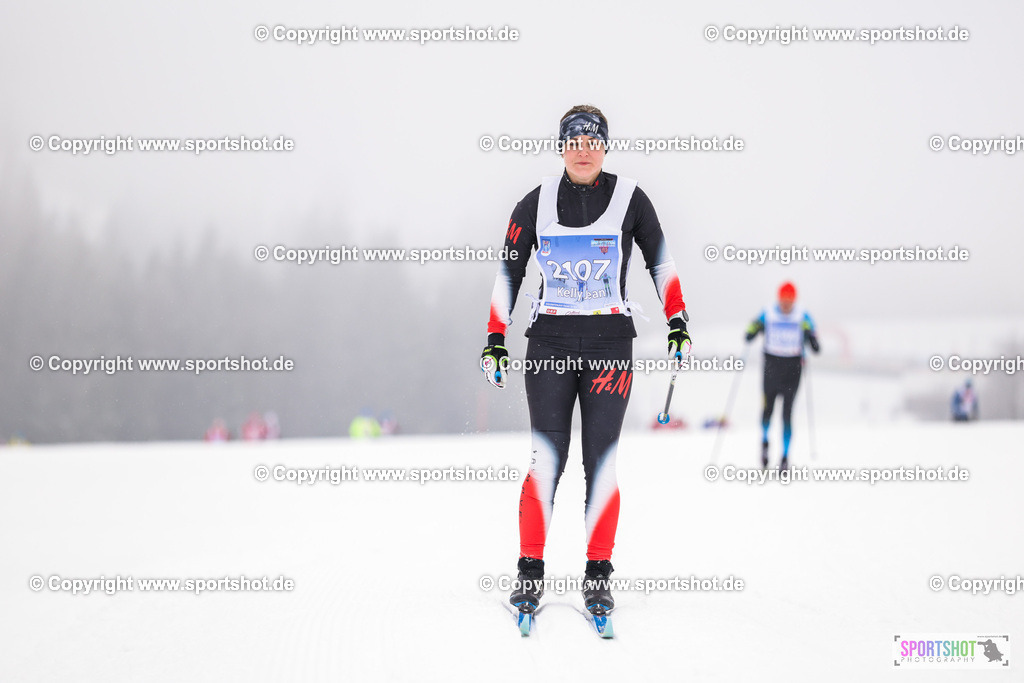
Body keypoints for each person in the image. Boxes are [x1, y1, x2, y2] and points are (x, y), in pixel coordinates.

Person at [480, 104, 690, 618]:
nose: (582, 149)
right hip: (548, 345)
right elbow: (509, 273)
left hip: (609, 348)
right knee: (545, 460)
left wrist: (678, 321)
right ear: (561, 148)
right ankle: (530, 574)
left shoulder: (631, 199)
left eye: (592, 140)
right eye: (573, 141)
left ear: (605, 146)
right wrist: (495, 337)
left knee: (601, 465)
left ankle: (598, 577)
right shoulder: (535, 202)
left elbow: (660, 262)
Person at [745, 282, 819, 470]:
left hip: (793, 368)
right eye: (783, 300)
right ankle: (764, 442)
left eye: (790, 300)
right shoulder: (768, 312)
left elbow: (815, 341)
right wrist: (753, 330)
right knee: (767, 409)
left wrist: (811, 338)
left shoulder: (802, 315)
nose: (786, 304)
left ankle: (785, 457)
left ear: (794, 300)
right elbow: (751, 330)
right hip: (771, 367)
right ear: (779, 298)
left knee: (787, 414)